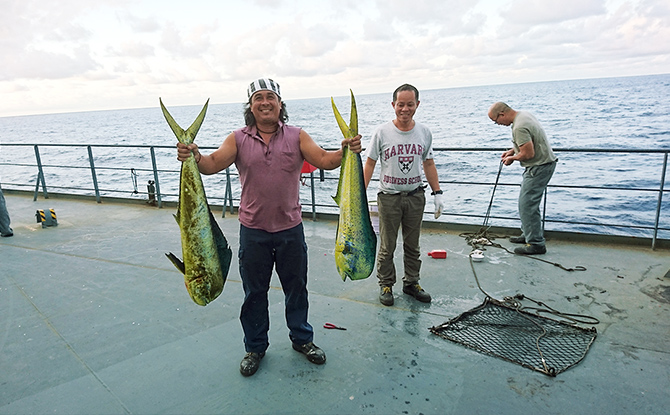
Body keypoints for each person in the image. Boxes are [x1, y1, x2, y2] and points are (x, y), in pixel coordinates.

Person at [176, 78, 361, 377]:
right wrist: (193, 156)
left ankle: (302, 339)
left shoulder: (298, 136)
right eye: (258, 97)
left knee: (296, 289)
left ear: (280, 104)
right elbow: (210, 165)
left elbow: (326, 161)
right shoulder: (237, 139)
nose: (265, 102)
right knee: (254, 294)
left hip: (290, 229)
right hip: (254, 232)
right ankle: (255, 347)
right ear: (250, 106)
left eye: (270, 97)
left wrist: (346, 150)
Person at [363, 84, 443, 307]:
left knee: (413, 245)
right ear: (393, 105)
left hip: (415, 196)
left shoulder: (424, 132)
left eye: (410, 104)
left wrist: (437, 193)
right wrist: (360, 194)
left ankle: (411, 283)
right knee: (387, 245)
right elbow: (369, 163)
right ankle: (386, 284)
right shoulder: (382, 132)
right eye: (401, 104)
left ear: (417, 104)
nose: (405, 109)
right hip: (389, 197)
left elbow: (428, 162)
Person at [488, 102, 557, 255]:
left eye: (496, 121)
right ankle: (528, 234)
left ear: (502, 114)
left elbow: (528, 154)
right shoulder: (524, 116)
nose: (497, 124)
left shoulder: (519, 127)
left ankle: (536, 244)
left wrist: (512, 158)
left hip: (539, 166)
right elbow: (528, 142)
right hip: (543, 164)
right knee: (527, 203)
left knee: (527, 205)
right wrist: (513, 150)